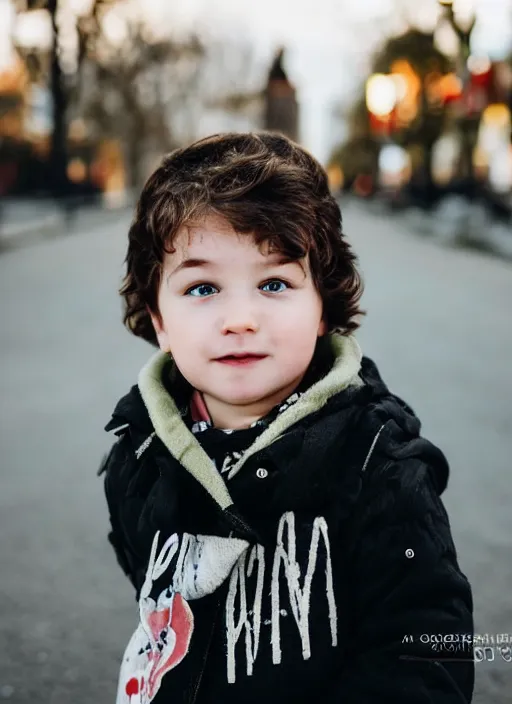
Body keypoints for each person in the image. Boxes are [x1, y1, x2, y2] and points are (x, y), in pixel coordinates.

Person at [99, 132, 474, 704]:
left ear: (323, 305)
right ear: (160, 320)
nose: (240, 318)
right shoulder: (141, 450)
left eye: (274, 283)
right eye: (202, 288)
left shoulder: (379, 464)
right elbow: (148, 578)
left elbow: (428, 648)